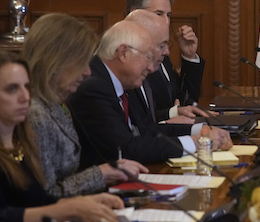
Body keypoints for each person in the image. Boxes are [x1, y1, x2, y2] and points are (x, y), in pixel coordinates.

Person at [68, 20, 232, 167]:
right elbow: (127, 149)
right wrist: (195, 142)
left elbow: (147, 130)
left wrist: (199, 130)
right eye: (148, 57)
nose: (152, 68)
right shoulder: (93, 87)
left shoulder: (120, 81)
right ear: (123, 53)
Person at [24, 13, 147, 198]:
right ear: (56, 61)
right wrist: (100, 174)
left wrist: (108, 173)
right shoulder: (35, 114)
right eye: (82, 62)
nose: (87, 72)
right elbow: (45, 197)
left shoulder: (54, 104)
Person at [0, 51, 124, 222]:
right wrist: (71, 208)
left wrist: (85, 202)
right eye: (12, 89)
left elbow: (38, 201)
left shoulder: (21, 144)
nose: (25, 97)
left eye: (27, 87)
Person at [126, 0, 205, 118]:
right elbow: (137, 120)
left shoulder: (161, 51)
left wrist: (189, 56)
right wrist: (172, 113)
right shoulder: (128, 55)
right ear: (135, 14)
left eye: (168, 15)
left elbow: (186, 102)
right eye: (159, 14)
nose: (166, 22)